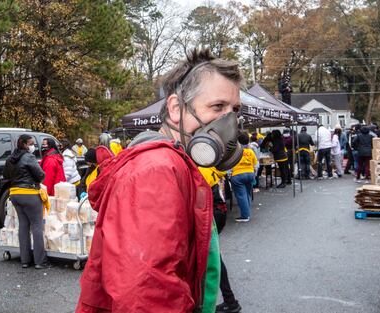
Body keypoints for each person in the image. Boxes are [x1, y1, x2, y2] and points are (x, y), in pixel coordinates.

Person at [76, 48, 243, 313]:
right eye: (217, 106)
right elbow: (146, 294)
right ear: (176, 108)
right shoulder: (157, 169)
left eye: (234, 110)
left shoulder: (176, 164)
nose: (230, 122)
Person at [3, 134, 51, 269]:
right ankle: (40, 261)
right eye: (31, 143)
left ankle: (25, 260)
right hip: (29, 194)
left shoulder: (10, 158)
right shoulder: (28, 157)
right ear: (24, 144)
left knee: (23, 226)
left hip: (15, 194)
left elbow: (6, 175)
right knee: (36, 226)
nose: (33, 146)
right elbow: (40, 175)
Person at [197, 166, 241, 313]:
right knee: (214, 258)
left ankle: (228, 301)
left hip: (211, 213)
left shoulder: (199, 169)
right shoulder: (207, 166)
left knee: (213, 259)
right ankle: (230, 300)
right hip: (218, 212)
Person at [231, 131, 258, 222]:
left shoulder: (235, 152)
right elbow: (255, 164)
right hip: (250, 174)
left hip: (238, 175)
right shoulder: (250, 151)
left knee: (241, 195)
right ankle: (247, 213)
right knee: (247, 194)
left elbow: (230, 165)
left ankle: (245, 216)